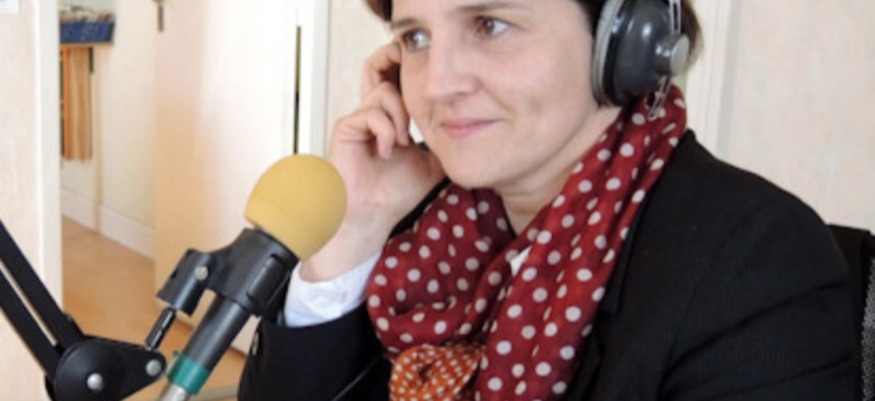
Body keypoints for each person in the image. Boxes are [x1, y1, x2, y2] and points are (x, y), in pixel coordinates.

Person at [238, 0, 859, 400]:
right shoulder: (415, 227)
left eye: (489, 25)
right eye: (417, 38)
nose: (436, 85)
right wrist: (356, 227)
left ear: (627, 43)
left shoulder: (757, 262)